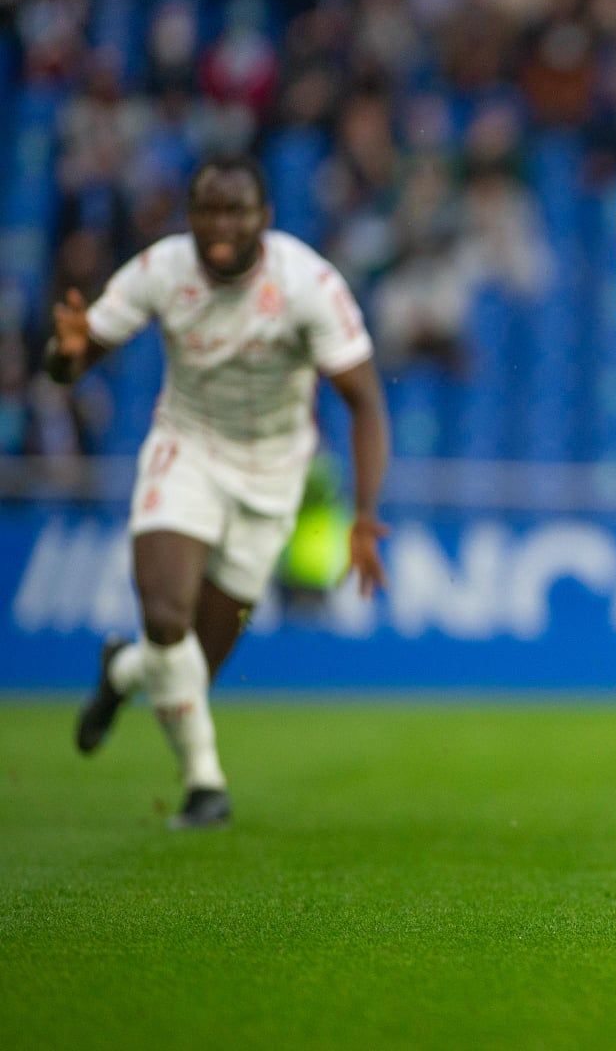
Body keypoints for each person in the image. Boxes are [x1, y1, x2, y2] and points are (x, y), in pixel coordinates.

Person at [47, 157, 390, 828]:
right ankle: (206, 786)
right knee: (167, 617)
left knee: (191, 668)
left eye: (236, 210)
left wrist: (365, 516)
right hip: (187, 450)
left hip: (274, 475)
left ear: (264, 217)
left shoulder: (307, 284)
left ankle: (123, 671)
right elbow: (74, 361)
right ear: (191, 216)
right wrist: (64, 354)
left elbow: (367, 403)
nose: (221, 223)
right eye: (208, 209)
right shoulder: (160, 271)